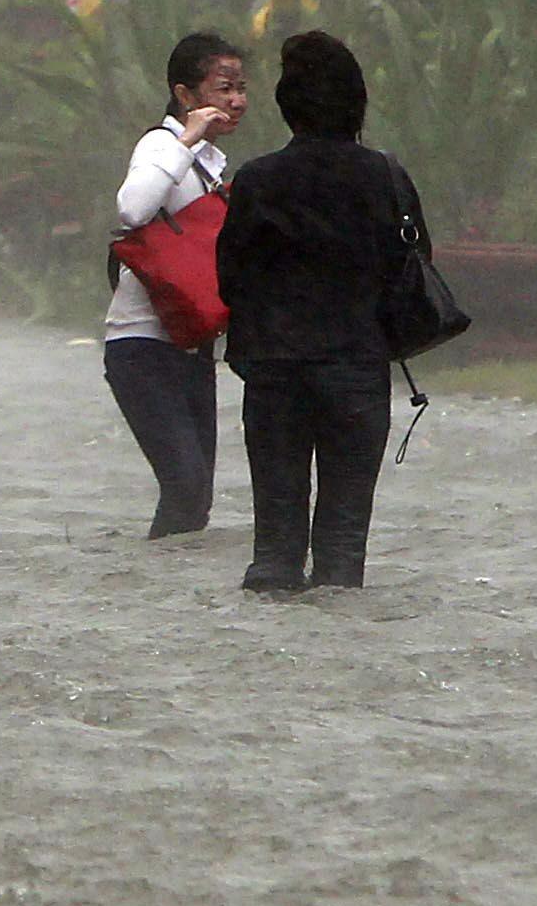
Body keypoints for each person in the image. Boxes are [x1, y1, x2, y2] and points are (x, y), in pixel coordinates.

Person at [213, 31, 426, 592]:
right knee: (342, 549)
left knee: (274, 553)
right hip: (356, 372)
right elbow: (413, 264)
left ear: (288, 107)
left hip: (274, 373)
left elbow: (228, 278)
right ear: (357, 104)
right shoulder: (386, 176)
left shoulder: (257, 180)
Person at [107, 31, 248, 538]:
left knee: (197, 495)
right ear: (185, 96)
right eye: (224, 87)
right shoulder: (161, 145)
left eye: (241, 88)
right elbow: (132, 208)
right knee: (186, 483)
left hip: (191, 349)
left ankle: (169, 593)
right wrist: (185, 140)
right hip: (142, 348)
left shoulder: (212, 165)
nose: (236, 101)